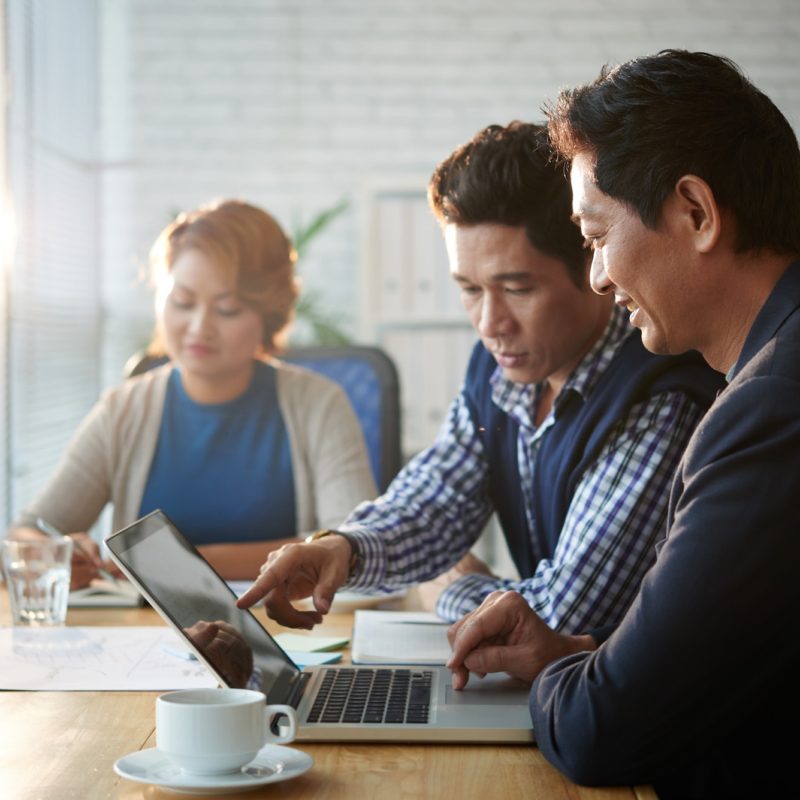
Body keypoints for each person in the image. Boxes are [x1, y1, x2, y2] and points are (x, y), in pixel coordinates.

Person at [446, 50, 800, 798]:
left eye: (598, 235)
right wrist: (578, 660)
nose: (600, 276)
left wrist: (567, 678)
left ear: (696, 214)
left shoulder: (769, 411)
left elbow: (602, 732)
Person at [237, 122, 721, 635]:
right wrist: (341, 548)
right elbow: (436, 501)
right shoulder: (499, 371)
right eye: (469, 289)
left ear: (591, 260)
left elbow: (562, 614)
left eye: (517, 288)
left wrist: (452, 587)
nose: (490, 324)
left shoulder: (659, 395)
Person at [8, 199, 377, 586]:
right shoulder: (123, 410)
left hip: (287, 631)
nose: (199, 327)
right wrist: (58, 554)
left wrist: (180, 562)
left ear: (268, 316)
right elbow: (27, 533)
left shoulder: (319, 405)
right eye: (182, 302)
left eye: (228, 309)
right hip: (142, 635)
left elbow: (352, 544)